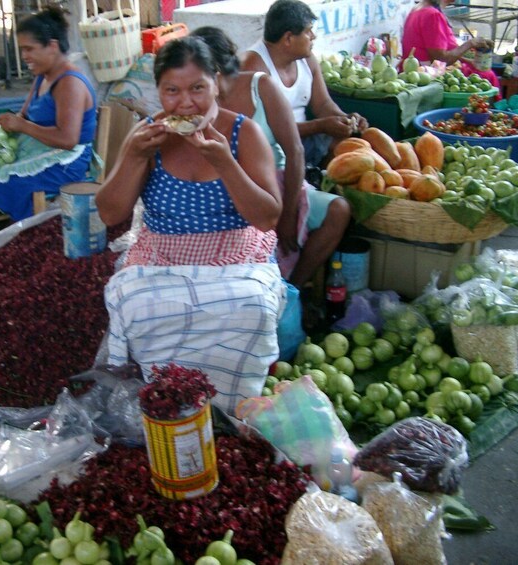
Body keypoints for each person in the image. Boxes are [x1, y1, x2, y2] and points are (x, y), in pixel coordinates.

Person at [96, 37, 283, 412]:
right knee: (135, 302)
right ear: (159, 92)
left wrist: (226, 164)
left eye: (197, 88)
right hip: (162, 254)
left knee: (253, 306)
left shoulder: (243, 133)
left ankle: (233, 405)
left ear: (216, 82)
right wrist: (134, 155)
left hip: (235, 253)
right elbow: (109, 213)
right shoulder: (148, 136)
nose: (185, 103)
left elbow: (266, 217)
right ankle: (168, 397)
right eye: (172, 91)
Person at [192, 26, 350, 290]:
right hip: (228, 189)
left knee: (338, 209)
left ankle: (293, 289)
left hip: (277, 181)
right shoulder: (195, 100)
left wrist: (287, 214)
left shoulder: (260, 86)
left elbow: (295, 150)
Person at [0, 5, 96, 249]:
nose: (24, 56)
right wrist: (9, 122)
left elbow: (68, 139)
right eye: (22, 49)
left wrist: (22, 126)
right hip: (41, 149)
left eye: (29, 49)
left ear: (52, 47)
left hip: (64, 164)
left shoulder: (69, 84)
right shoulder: (43, 75)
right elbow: (25, 113)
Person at [241, 0, 369, 172]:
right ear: (288, 38)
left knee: (356, 148)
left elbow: (323, 104)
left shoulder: (307, 59)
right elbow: (263, 131)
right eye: (308, 31)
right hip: (271, 149)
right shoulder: (253, 67)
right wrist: (320, 126)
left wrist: (345, 119)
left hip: (305, 139)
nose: (313, 36)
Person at [401, 0, 500, 88]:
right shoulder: (432, 15)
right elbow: (440, 60)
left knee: (482, 70)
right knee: (488, 75)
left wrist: (468, 61)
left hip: (420, 69)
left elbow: (437, 50)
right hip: (425, 74)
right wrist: (470, 43)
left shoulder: (419, 8)